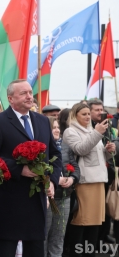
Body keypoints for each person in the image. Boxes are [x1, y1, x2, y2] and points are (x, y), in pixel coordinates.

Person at [0, 80, 62, 257]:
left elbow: (55, 155)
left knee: (35, 250)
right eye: (23, 93)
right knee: (7, 250)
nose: (29, 96)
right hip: (11, 199)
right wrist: (19, 169)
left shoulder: (42, 121)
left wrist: (53, 181)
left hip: (37, 199)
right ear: (10, 98)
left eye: (30, 93)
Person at [63, 102, 115, 257]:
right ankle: (75, 253)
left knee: (95, 224)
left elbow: (96, 156)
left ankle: (89, 254)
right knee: (81, 223)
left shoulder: (92, 130)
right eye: (83, 114)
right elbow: (81, 149)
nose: (87, 117)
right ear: (75, 115)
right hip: (84, 183)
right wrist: (97, 133)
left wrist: (107, 151)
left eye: (88, 114)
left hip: (98, 180)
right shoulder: (70, 132)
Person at [44, 116, 80, 257]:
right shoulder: (41, 147)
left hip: (64, 197)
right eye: (53, 127)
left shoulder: (65, 146)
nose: (57, 130)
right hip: (48, 197)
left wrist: (72, 178)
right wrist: (54, 180)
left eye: (58, 127)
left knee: (59, 236)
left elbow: (76, 168)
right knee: (44, 235)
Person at [87, 99, 117, 246]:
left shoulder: (108, 125)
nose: (101, 112)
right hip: (92, 175)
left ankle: (103, 236)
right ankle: (93, 240)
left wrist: (113, 147)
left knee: (106, 208)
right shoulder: (87, 127)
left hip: (108, 172)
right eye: (97, 110)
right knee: (94, 210)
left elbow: (113, 141)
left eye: (102, 109)